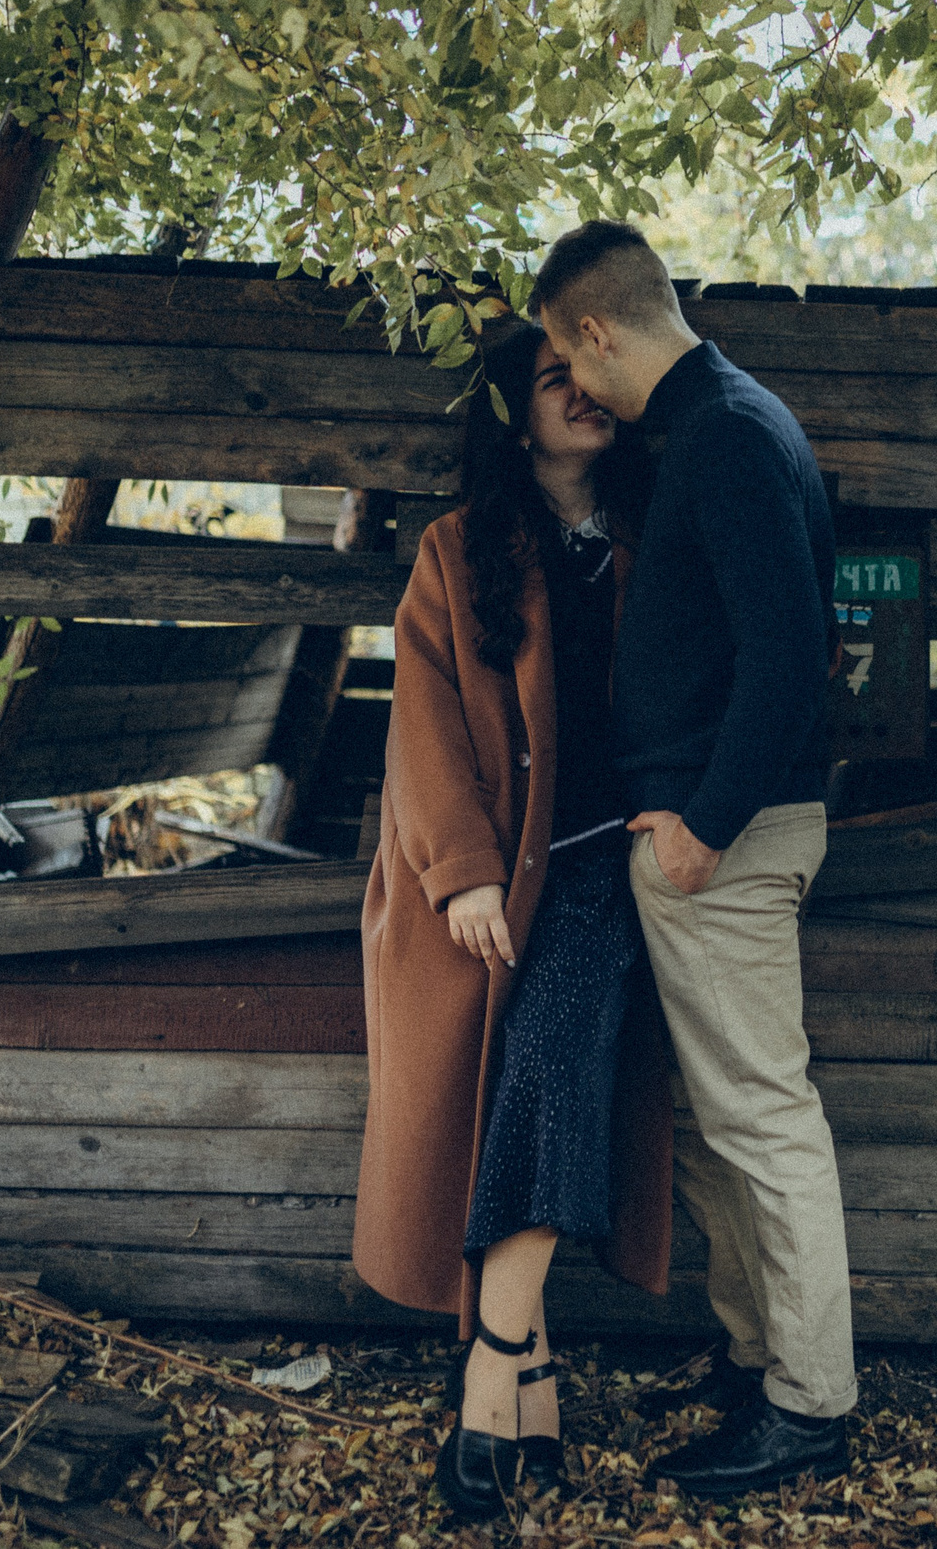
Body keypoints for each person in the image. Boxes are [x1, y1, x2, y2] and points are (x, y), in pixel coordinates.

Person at [533, 219, 855, 1498]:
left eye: (570, 355)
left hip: (729, 840)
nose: (579, 386)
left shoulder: (723, 434)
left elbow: (789, 656)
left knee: (765, 1121)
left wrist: (703, 826)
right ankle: (756, 1355)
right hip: (715, 835)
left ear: (597, 329)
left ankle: (809, 1404)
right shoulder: (727, 421)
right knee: (726, 1125)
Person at [350, 323, 672, 1521]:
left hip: (609, 871)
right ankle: (534, 1376)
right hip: (487, 883)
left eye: (592, 379)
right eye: (555, 382)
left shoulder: (651, 535)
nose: (584, 397)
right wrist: (466, 872)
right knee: (513, 1095)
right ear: (510, 411)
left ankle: (490, 1369)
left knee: (542, 1071)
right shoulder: (457, 551)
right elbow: (420, 727)